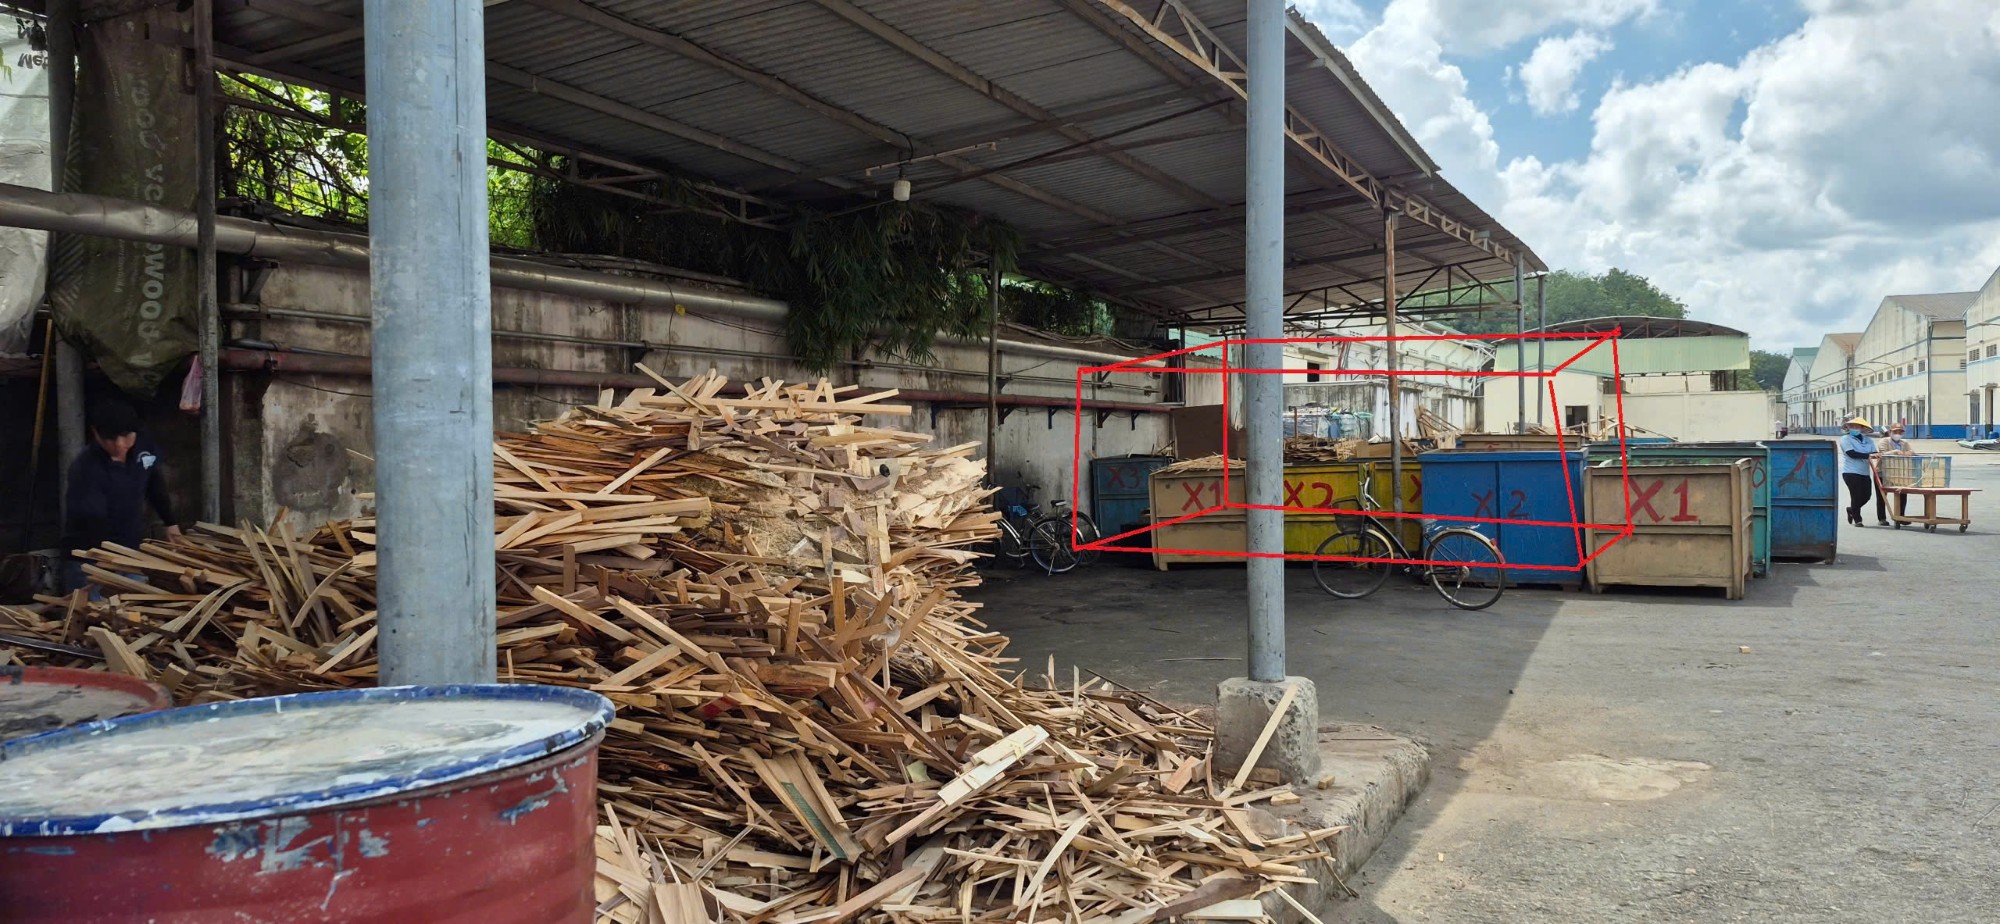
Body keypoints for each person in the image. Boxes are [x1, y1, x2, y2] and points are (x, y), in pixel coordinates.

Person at [62, 399, 181, 595]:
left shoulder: (143, 447)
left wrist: (170, 522)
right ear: (96, 433)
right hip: (92, 560)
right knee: (95, 612)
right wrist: (111, 561)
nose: (119, 444)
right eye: (110, 438)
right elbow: (92, 518)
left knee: (138, 610)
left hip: (130, 555)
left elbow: (154, 482)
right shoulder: (85, 468)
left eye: (126, 436)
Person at [1872, 423, 1915, 525]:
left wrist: (1909, 453)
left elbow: (1911, 452)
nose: (1897, 434)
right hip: (1883, 472)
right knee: (1882, 495)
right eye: (1895, 431)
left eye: (1900, 432)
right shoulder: (1884, 441)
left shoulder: (1904, 443)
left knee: (1902, 493)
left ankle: (1900, 516)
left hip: (1898, 472)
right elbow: (1882, 454)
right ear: (1890, 432)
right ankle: (1882, 518)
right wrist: (1896, 452)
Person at [1838, 417, 1877, 527]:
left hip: (1864, 472)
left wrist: (1876, 456)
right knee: (1856, 496)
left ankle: (1851, 509)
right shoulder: (1845, 439)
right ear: (1848, 428)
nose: (1854, 428)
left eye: (1857, 426)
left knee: (1867, 496)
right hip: (1851, 471)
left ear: (1862, 428)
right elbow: (1851, 453)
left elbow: (1875, 453)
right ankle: (1857, 519)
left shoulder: (1868, 440)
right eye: (1852, 426)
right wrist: (1868, 456)